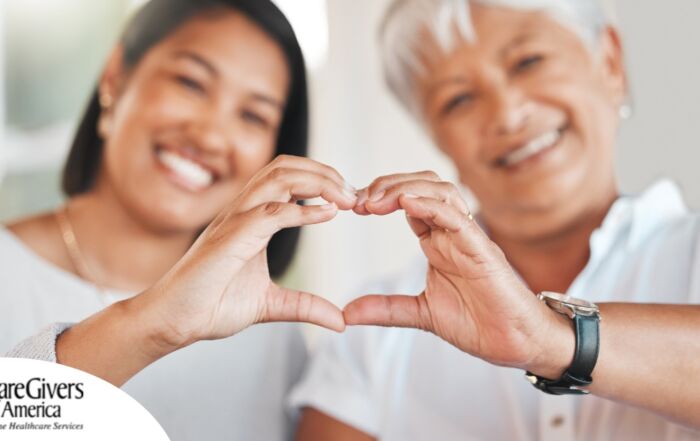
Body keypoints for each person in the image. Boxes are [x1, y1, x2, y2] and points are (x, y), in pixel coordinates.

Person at [291, 1, 700, 440]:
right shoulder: (376, 332)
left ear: (609, 62)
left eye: (528, 61)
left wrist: (552, 339)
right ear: (436, 135)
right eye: (459, 99)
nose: (507, 115)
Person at [1, 0, 356, 439]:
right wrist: (150, 325)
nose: (209, 136)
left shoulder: (271, 338)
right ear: (116, 77)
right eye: (190, 82)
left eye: (253, 115)